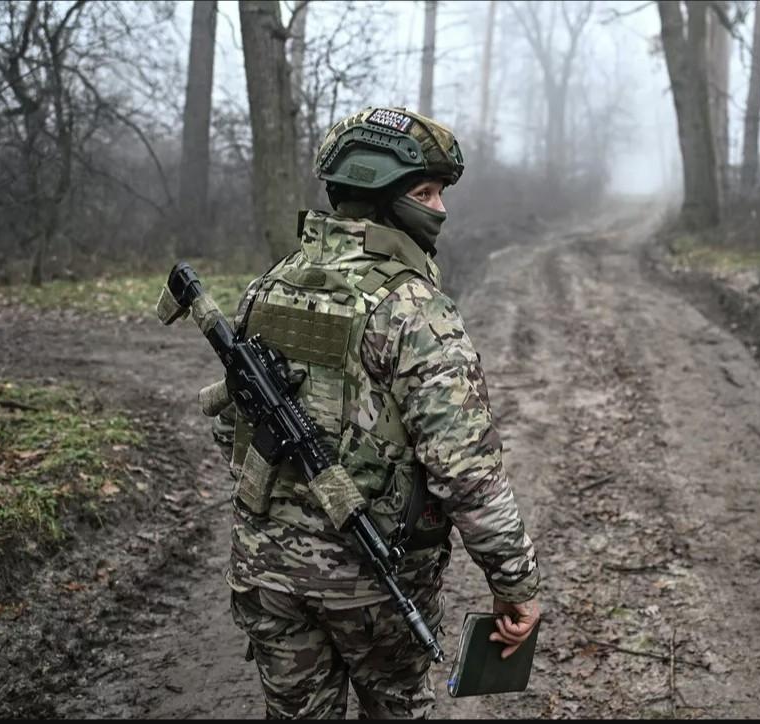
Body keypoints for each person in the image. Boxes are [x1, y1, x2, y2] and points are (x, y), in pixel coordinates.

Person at [210, 106, 542, 719]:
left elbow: (230, 429)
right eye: (425, 191)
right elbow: (468, 474)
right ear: (377, 192)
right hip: (376, 588)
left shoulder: (269, 286)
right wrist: (514, 584)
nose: (440, 208)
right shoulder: (417, 312)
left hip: (269, 575)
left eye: (440, 192)